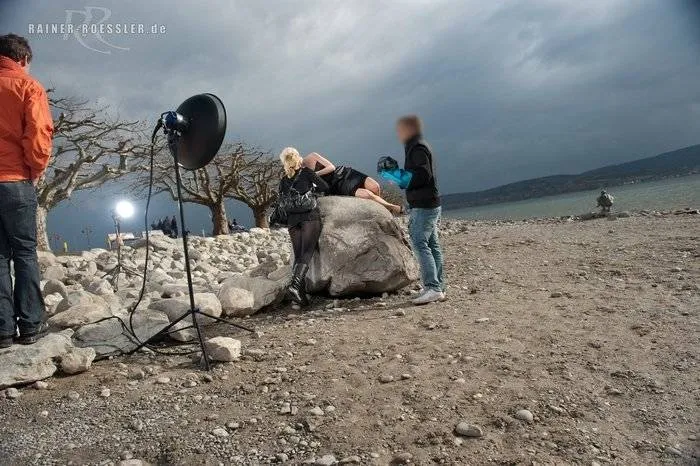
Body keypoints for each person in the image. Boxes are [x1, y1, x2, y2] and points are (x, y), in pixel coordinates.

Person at [0, 34, 53, 347]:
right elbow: (38, 134)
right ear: (22, 59)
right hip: (16, 181)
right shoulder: (29, 86)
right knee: (24, 253)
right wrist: (35, 171)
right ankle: (32, 325)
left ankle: (3, 332)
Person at [392, 115, 445, 305]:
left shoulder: (418, 147)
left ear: (409, 129)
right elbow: (418, 176)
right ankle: (438, 286)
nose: (398, 133)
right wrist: (398, 176)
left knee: (420, 243)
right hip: (428, 202)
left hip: (423, 204)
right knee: (432, 244)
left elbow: (423, 175)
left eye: (400, 129)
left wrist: (399, 176)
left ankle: (433, 288)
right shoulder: (416, 146)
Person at [278, 147, 329, 306]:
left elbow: (281, 201)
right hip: (309, 217)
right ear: (298, 158)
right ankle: (294, 287)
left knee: (298, 255)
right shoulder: (306, 172)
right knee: (307, 253)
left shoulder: (283, 179)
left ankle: (298, 294)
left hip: (292, 221)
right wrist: (312, 186)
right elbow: (324, 187)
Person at [302, 151, 403, 215]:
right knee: (368, 195)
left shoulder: (312, 156)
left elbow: (331, 167)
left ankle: (383, 210)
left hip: (344, 172)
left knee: (375, 187)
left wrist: (315, 174)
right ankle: (391, 208)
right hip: (337, 184)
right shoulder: (300, 175)